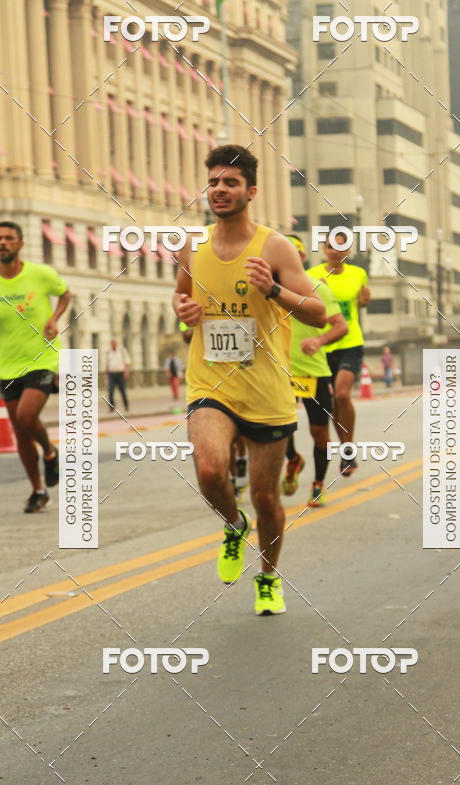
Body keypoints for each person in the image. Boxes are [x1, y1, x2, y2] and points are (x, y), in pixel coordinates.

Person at [173, 144, 326, 615]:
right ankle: (233, 524)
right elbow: (181, 311)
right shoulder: (190, 247)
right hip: (211, 384)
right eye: (214, 181)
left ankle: (267, 577)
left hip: (267, 390)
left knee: (266, 495)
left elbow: (318, 314)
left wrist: (274, 290)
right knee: (209, 470)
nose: (219, 189)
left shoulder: (274, 247)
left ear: (250, 191)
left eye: (230, 182)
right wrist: (184, 315)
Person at [0, 221, 71, 512]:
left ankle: (50, 452)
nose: (2, 243)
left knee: (27, 417)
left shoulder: (41, 275)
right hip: (8, 364)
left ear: (20, 244)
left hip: (43, 358)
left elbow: (65, 294)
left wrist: (55, 318)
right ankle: (38, 490)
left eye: (8, 238)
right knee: (20, 431)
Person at [281, 235, 348, 507]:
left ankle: (318, 484)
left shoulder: (317, 287)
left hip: (312, 371)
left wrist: (319, 341)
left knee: (319, 432)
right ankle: (294, 459)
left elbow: (340, 326)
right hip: (280, 371)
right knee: (279, 428)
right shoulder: (266, 288)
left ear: (302, 258)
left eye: (294, 252)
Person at [307, 231, 370, 477]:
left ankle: (348, 447)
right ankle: (346, 451)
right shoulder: (312, 275)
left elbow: (361, 301)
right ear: (324, 249)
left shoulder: (358, 274)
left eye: (341, 247)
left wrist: (365, 301)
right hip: (325, 345)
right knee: (332, 404)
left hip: (351, 341)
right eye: (330, 246)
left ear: (348, 251)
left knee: (342, 394)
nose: (335, 251)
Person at [106, 339, 130, 412]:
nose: (113, 345)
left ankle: (126, 406)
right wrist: (106, 372)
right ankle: (111, 408)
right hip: (111, 374)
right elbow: (107, 363)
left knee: (122, 391)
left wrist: (126, 372)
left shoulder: (122, 351)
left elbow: (127, 362)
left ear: (116, 344)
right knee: (110, 391)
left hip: (120, 373)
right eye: (111, 344)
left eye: (114, 344)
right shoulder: (108, 352)